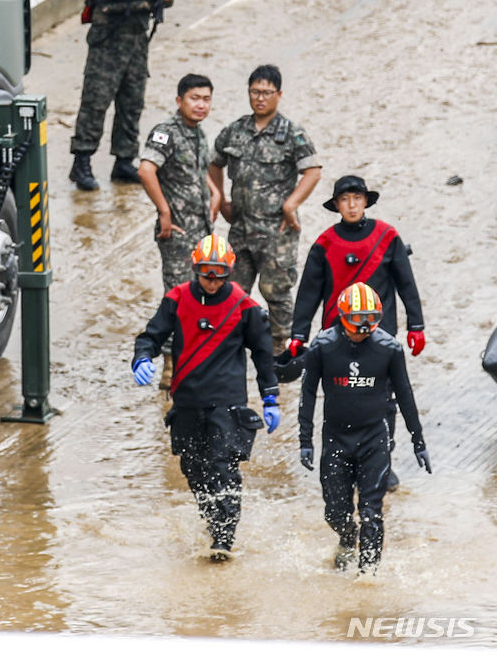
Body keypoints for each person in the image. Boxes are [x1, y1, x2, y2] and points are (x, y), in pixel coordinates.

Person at [132, 233, 280, 560]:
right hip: (186, 402)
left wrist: (270, 397)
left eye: (219, 274)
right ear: (195, 269)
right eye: (205, 273)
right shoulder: (177, 297)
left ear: (229, 272)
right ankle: (213, 523)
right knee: (194, 469)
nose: (212, 281)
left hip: (227, 403)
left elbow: (263, 354)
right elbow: (151, 336)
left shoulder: (245, 306)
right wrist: (142, 358)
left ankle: (224, 539)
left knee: (222, 465)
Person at [286, 174, 426, 489]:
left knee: (384, 398)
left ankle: (382, 462)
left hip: (380, 336)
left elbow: (406, 284)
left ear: (366, 201)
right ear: (336, 205)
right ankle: (342, 462)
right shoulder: (324, 243)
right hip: (335, 338)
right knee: (338, 395)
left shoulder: (387, 237)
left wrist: (416, 326)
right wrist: (298, 334)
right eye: (345, 199)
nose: (351, 205)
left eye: (357, 198)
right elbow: (308, 293)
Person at [298, 281, 430, 574]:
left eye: (371, 320)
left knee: (372, 513)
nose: (363, 328)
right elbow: (307, 393)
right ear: (342, 317)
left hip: (374, 438)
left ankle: (368, 576)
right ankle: (346, 539)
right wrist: (305, 439)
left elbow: (405, 393)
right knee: (335, 511)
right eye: (357, 321)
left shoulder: (389, 349)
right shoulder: (322, 347)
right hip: (335, 438)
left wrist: (417, 440)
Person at [208, 64, 321, 352]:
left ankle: (281, 351)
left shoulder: (292, 133)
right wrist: (220, 200)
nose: (260, 98)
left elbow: (312, 172)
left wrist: (291, 204)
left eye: (267, 93)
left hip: (276, 231)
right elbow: (213, 162)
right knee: (231, 290)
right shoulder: (235, 131)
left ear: (279, 95)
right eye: (255, 92)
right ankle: (229, 347)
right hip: (241, 227)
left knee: (276, 291)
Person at [69, 0, 176, 191]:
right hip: (109, 37)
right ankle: (82, 162)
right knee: (96, 100)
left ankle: (124, 160)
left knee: (132, 102)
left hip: (138, 37)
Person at [138, 74, 221, 386]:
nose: (200, 105)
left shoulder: (198, 134)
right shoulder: (166, 132)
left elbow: (199, 171)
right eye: (194, 98)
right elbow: (146, 170)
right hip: (176, 232)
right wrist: (163, 210)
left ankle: (193, 357)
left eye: (206, 99)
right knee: (178, 297)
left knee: (200, 294)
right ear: (179, 101)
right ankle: (170, 367)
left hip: (201, 230)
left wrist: (215, 193)